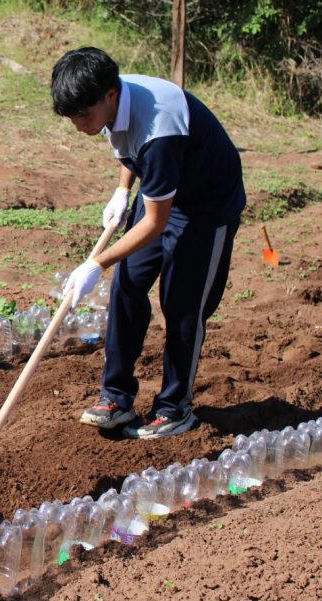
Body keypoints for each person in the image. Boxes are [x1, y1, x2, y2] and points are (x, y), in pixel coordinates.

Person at [52, 47, 245, 439]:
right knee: (127, 284)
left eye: (83, 115)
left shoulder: (160, 128)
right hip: (164, 190)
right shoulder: (115, 98)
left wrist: (97, 263)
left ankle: (176, 408)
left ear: (109, 96)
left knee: (182, 304)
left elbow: (155, 222)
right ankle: (116, 398)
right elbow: (129, 144)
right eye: (71, 117)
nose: (78, 125)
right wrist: (123, 190)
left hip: (205, 205)